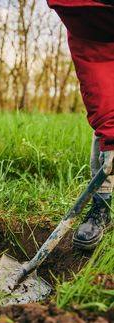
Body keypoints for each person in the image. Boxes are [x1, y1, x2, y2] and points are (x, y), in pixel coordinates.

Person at [47, 0, 114, 250]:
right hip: (95, 35)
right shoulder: (83, 14)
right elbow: (100, 89)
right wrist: (110, 136)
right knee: (106, 132)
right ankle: (102, 206)